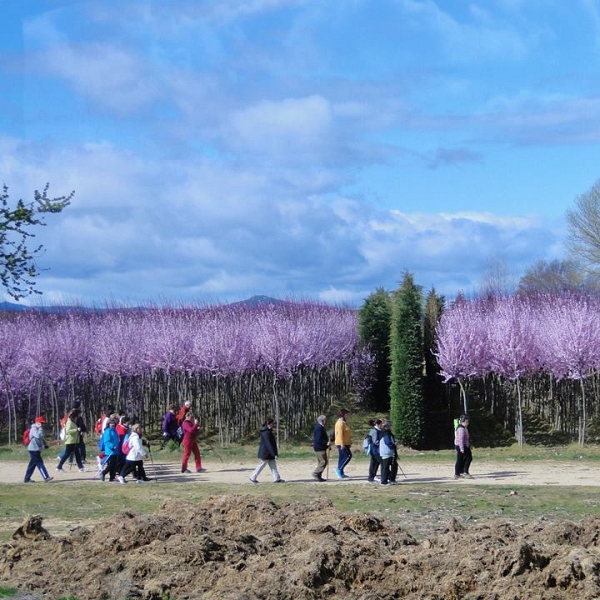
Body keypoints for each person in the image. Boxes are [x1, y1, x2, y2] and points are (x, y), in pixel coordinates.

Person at [249, 418, 284, 483]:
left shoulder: (268, 431)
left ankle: (277, 478)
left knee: (273, 466)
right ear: (268, 424)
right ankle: (252, 477)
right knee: (261, 465)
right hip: (266, 453)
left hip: (269, 453)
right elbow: (268, 444)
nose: (273, 425)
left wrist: (273, 453)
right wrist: (273, 453)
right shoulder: (266, 432)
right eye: (272, 423)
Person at [24, 417, 53, 483]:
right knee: (40, 463)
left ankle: (27, 479)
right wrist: (40, 428)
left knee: (32, 465)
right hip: (33, 449)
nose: (42, 424)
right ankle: (46, 477)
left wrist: (45, 444)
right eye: (41, 423)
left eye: (43, 423)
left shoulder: (39, 429)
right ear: (37, 422)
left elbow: (41, 438)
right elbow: (38, 436)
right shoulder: (34, 429)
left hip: (36, 449)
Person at [56, 408, 85, 472]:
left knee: (77, 454)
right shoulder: (69, 422)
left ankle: (81, 467)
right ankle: (59, 466)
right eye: (76, 417)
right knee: (67, 455)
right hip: (70, 441)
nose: (77, 418)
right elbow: (68, 431)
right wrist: (76, 430)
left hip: (74, 441)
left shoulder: (72, 422)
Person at [334, 408, 352, 479]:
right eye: (347, 414)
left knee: (342, 457)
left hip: (346, 443)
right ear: (344, 415)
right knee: (348, 456)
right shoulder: (340, 423)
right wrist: (341, 443)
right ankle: (339, 469)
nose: (348, 416)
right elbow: (340, 434)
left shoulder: (344, 422)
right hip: (341, 443)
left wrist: (349, 442)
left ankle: (341, 472)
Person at [379, 420, 398, 486]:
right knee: (385, 468)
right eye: (390, 426)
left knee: (394, 466)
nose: (391, 427)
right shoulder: (386, 433)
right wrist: (393, 445)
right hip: (386, 453)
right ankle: (384, 481)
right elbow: (387, 442)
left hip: (389, 453)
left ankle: (391, 479)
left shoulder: (387, 433)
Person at [454, 414, 473, 479]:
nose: (468, 423)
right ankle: (465, 472)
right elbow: (461, 439)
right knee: (469, 458)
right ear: (463, 422)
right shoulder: (461, 429)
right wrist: (462, 448)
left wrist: (469, 445)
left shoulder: (463, 427)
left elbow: (466, 439)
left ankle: (458, 473)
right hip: (461, 446)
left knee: (460, 459)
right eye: (466, 422)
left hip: (461, 446)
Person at [312, 415, 330, 481]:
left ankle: (318, 476)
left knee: (321, 462)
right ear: (322, 420)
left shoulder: (320, 427)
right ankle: (316, 473)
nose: (326, 421)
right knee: (323, 462)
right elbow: (319, 439)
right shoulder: (319, 427)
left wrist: (327, 446)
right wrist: (326, 443)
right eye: (325, 420)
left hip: (320, 447)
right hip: (320, 447)